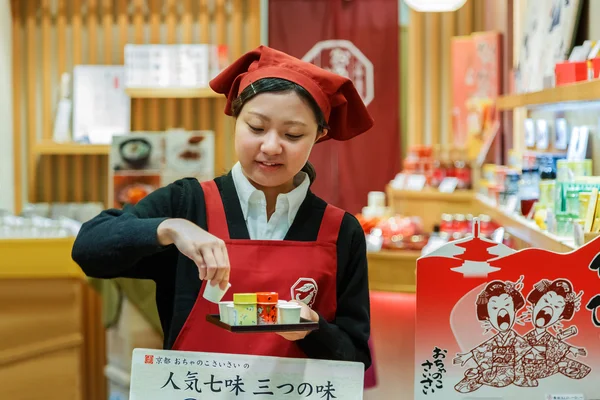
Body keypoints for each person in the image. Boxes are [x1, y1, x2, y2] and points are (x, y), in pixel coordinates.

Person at [72, 45, 373, 369]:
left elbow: (356, 357)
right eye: (256, 128)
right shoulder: (187, 204)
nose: (270, 146)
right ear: (234, 118)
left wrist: (312, 328)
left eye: (293, 134)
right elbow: (88, 249)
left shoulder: (341, 231)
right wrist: (170, 228)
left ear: (319, 135)